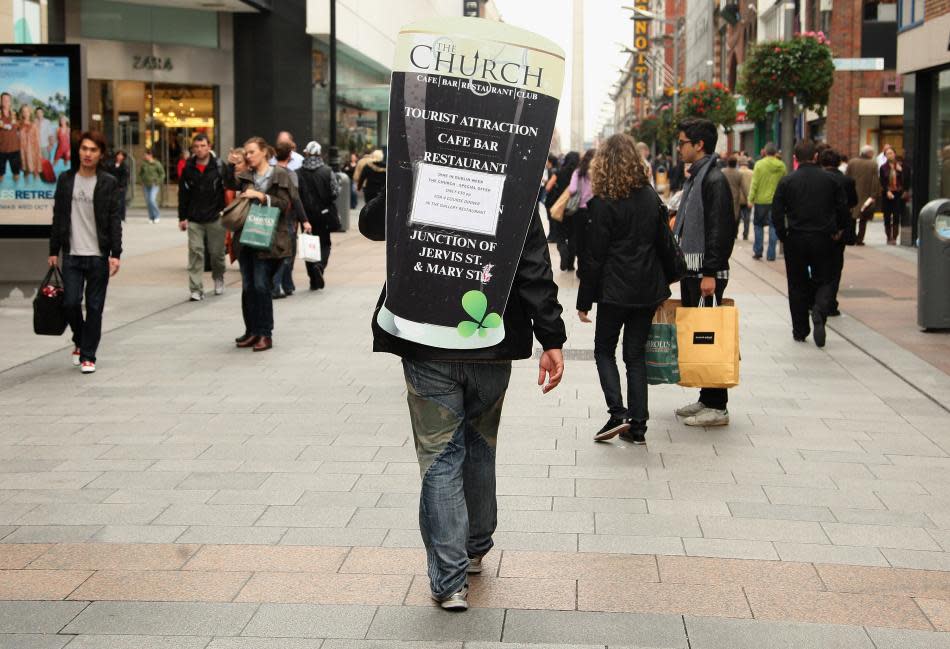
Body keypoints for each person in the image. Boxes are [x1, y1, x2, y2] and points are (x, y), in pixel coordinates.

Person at [359, 184, 565, 611]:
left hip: (425, 337)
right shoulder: (513, 176)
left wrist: (402, 169)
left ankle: (449, 579)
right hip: (491, 339)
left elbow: (371, 225)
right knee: (479, 445)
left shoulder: (417, 171)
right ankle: (475, 545)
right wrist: (551, 337)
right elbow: (533, 266)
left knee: (440, 455)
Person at [577, 134, 677, 445]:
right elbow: (665, 244)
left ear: (603, 164)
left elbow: (594, 257)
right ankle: (638, 426)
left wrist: (584, 301)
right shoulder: (650, 197)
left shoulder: (602, 203)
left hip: (614, 291)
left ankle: (617, 412)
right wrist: (668, 283)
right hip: (647, 288)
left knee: (604, 350)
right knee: (634, 356)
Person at [672, 118, 736, 427]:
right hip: (693, 269)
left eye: (683, 142)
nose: (679, 147)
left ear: (699, 145)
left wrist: (710, 271)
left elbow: (720, 230)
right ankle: (706, 397)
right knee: (700, 335)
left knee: (710, 335)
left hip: (705, 273)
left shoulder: (713, 180)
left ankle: (718, 405)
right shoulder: (696, 178)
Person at [47, 131, 122, 374]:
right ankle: (80, 339)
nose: (87, 154)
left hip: (98, 254)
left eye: (93, 150)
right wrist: (53, 250)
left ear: (100, 155)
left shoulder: (108, 182)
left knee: (95, 306)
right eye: (84, 149)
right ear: (78, 151)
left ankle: (88, 355)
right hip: (72, 254)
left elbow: (114, 219)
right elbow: (58, 216)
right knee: (70, 303)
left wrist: (116, 253)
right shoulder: (66, 180)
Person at [771, 140, 849, 348]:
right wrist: (839, 230)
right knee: (825, 278)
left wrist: (782, 234)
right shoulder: (831, 181)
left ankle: (800, 329)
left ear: (795, 158)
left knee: (796, 284)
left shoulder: (787, 181)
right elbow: (842, 209)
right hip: (824, 238)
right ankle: (820, 309)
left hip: (795, 238)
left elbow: (776, 211)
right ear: (816, 157)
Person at [231, 137, 297, 352]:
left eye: (251, 152)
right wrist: (230, 166)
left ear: (264, 152)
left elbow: (286, 204)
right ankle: (252, 331)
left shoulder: (279, 174)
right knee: (248, 287)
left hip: (269, 240)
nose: (248, 156)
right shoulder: (245, 175)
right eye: (246, 152)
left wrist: (260, 196)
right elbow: (227, 185)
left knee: (261, 286)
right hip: (246, 237)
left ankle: (265, 334)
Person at [178, 133, 227, 301]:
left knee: (217, 254)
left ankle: (219, 277)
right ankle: (196, 289)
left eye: (203, 146)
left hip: (215, 217)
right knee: (196, 252)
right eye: (196, 147)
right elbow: (183, 194)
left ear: (209, 147)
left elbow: (229, 188)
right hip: (195, 218)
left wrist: (224, 211)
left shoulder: (219, 166)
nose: (199, 150)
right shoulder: (188, 168)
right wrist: (182, 217)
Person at [271, 141, 312, 298]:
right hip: (287, 218)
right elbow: (295, 199)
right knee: (287, 252)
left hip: (271, 216)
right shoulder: (290, 174)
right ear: (290, 155)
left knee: (280, 251)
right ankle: (278, 284)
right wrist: (305, 220)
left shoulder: (270, 171)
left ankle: (287, 285)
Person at [820, 147, 858, 317]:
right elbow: (853, 202)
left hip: (820, 230)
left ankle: (818, 299)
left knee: (819, 265)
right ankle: (830, 302)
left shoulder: (819, 179)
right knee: (836, 267)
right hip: (839, 231)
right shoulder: (847, 181)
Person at [297, 140, 338, 290]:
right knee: (325, 243)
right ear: (320, 154)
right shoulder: (327, 171)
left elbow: (297, 194)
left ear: (306, 153)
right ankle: (320, 266)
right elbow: (335, 192)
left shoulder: (299, 172)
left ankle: (313, 277)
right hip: (324, 214)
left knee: (308, 245)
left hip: (306, 216)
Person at [747, 142, 786, 261]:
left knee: (758, 225)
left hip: (760, 200)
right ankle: (771, 254)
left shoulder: (759, 165)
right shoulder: (782, 166)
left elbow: (755, 183)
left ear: (765, 151)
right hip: (776, 201)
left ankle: (758, 251)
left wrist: (751, 198)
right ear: (775, 152)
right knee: (773, 226)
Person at [546, 151, 579, 268]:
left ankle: (563, 251)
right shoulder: (580, 174)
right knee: (572, 236)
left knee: (560, 235)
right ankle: (570, 264)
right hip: (575, 210)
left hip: (561, 209)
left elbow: (548, 186)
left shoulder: (559, 172)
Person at [566, 149, 595, 275]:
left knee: (579, 240)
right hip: (593, 211)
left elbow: (572, 190)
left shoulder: (577, 172)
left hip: (578, 211)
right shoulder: (596, 172)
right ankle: (589, 268)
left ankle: (580, 268)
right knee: (591, 241)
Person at [846, 145, 879, 246]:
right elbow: (875, 181)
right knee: (863, 219)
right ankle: (860, 239)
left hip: (852, 192)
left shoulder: (852, 162)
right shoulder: (873, 164)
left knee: (852, 217)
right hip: (866, 194)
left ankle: (851, 238)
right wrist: (874, 194)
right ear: (869, 153)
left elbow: (847, 176)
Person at [879, 147, 907, 245]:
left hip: (898, 194)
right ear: (885, 156)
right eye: (887, 153)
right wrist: (887, 191)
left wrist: (901, 171)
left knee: (896, 215)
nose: (890, 155)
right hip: (887, 194)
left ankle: (894, 237)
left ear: (894, 154)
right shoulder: (883, 167)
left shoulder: (900, 166)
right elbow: (882, 182)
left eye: (891, 153)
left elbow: (906, 180)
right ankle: (888, 236)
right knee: (887, 215)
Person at [721, 154, 746, 231]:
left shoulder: (722, 171)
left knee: (724, 212)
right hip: (735, 196)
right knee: (735, 215)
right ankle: (734, 231)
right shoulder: (739, 174)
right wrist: (747, 198)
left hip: (724, 195)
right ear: (736, 163)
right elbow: (743, 187)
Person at [0, 92, 21, 182]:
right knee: (0, 175)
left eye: (7, 100)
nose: (5, 102)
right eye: (3, 100)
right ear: (0, 101)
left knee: (16, 173)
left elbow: (21, 128)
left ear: (10, 102)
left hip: (15, 149)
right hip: (1, 149)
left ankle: (16, 189)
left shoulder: (15, 114)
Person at [140, 148, 165, 223]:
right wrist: (141, 180)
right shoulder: (144, 163)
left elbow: (162, 174)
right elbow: (141, 173)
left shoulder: (157, 164)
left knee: (152, 200)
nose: (144, 156)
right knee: (148, 201)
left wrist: (158, 181)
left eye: (146, 155)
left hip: (154, 185)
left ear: (150, 155)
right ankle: (151, 217)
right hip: (145, 185)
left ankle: (157, 216)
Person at [17, 105, 42, 180]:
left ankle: (36, 187)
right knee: (25, 172)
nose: (25, 113)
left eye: (27, 111)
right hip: (22, 151)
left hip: (33, 151)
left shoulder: (34, 125)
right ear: (21, 113)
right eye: (23, 111)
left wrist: (39, 153)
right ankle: (26, 187)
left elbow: (37, 140)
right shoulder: (18, 125)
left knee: (35, 171)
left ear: (30, 112)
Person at [737, 158, 753, 240]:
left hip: (738, 199)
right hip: (748, 198)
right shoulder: (752, 173)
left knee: (737, 217)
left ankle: (735, 233)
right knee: (747, 218)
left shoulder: (737, 172)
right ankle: (745, 234)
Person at [110, 150, 129, 222]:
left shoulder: (125, 166)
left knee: (121, 202)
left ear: (124, 157)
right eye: (118, 155)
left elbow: (125, 176)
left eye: (121, 155)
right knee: (113, 201)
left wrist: (121, 186)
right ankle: (114, 216)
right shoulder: (112, 164)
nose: (119, 156)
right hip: (113, 186)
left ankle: (122, 216)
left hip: (121, 186)